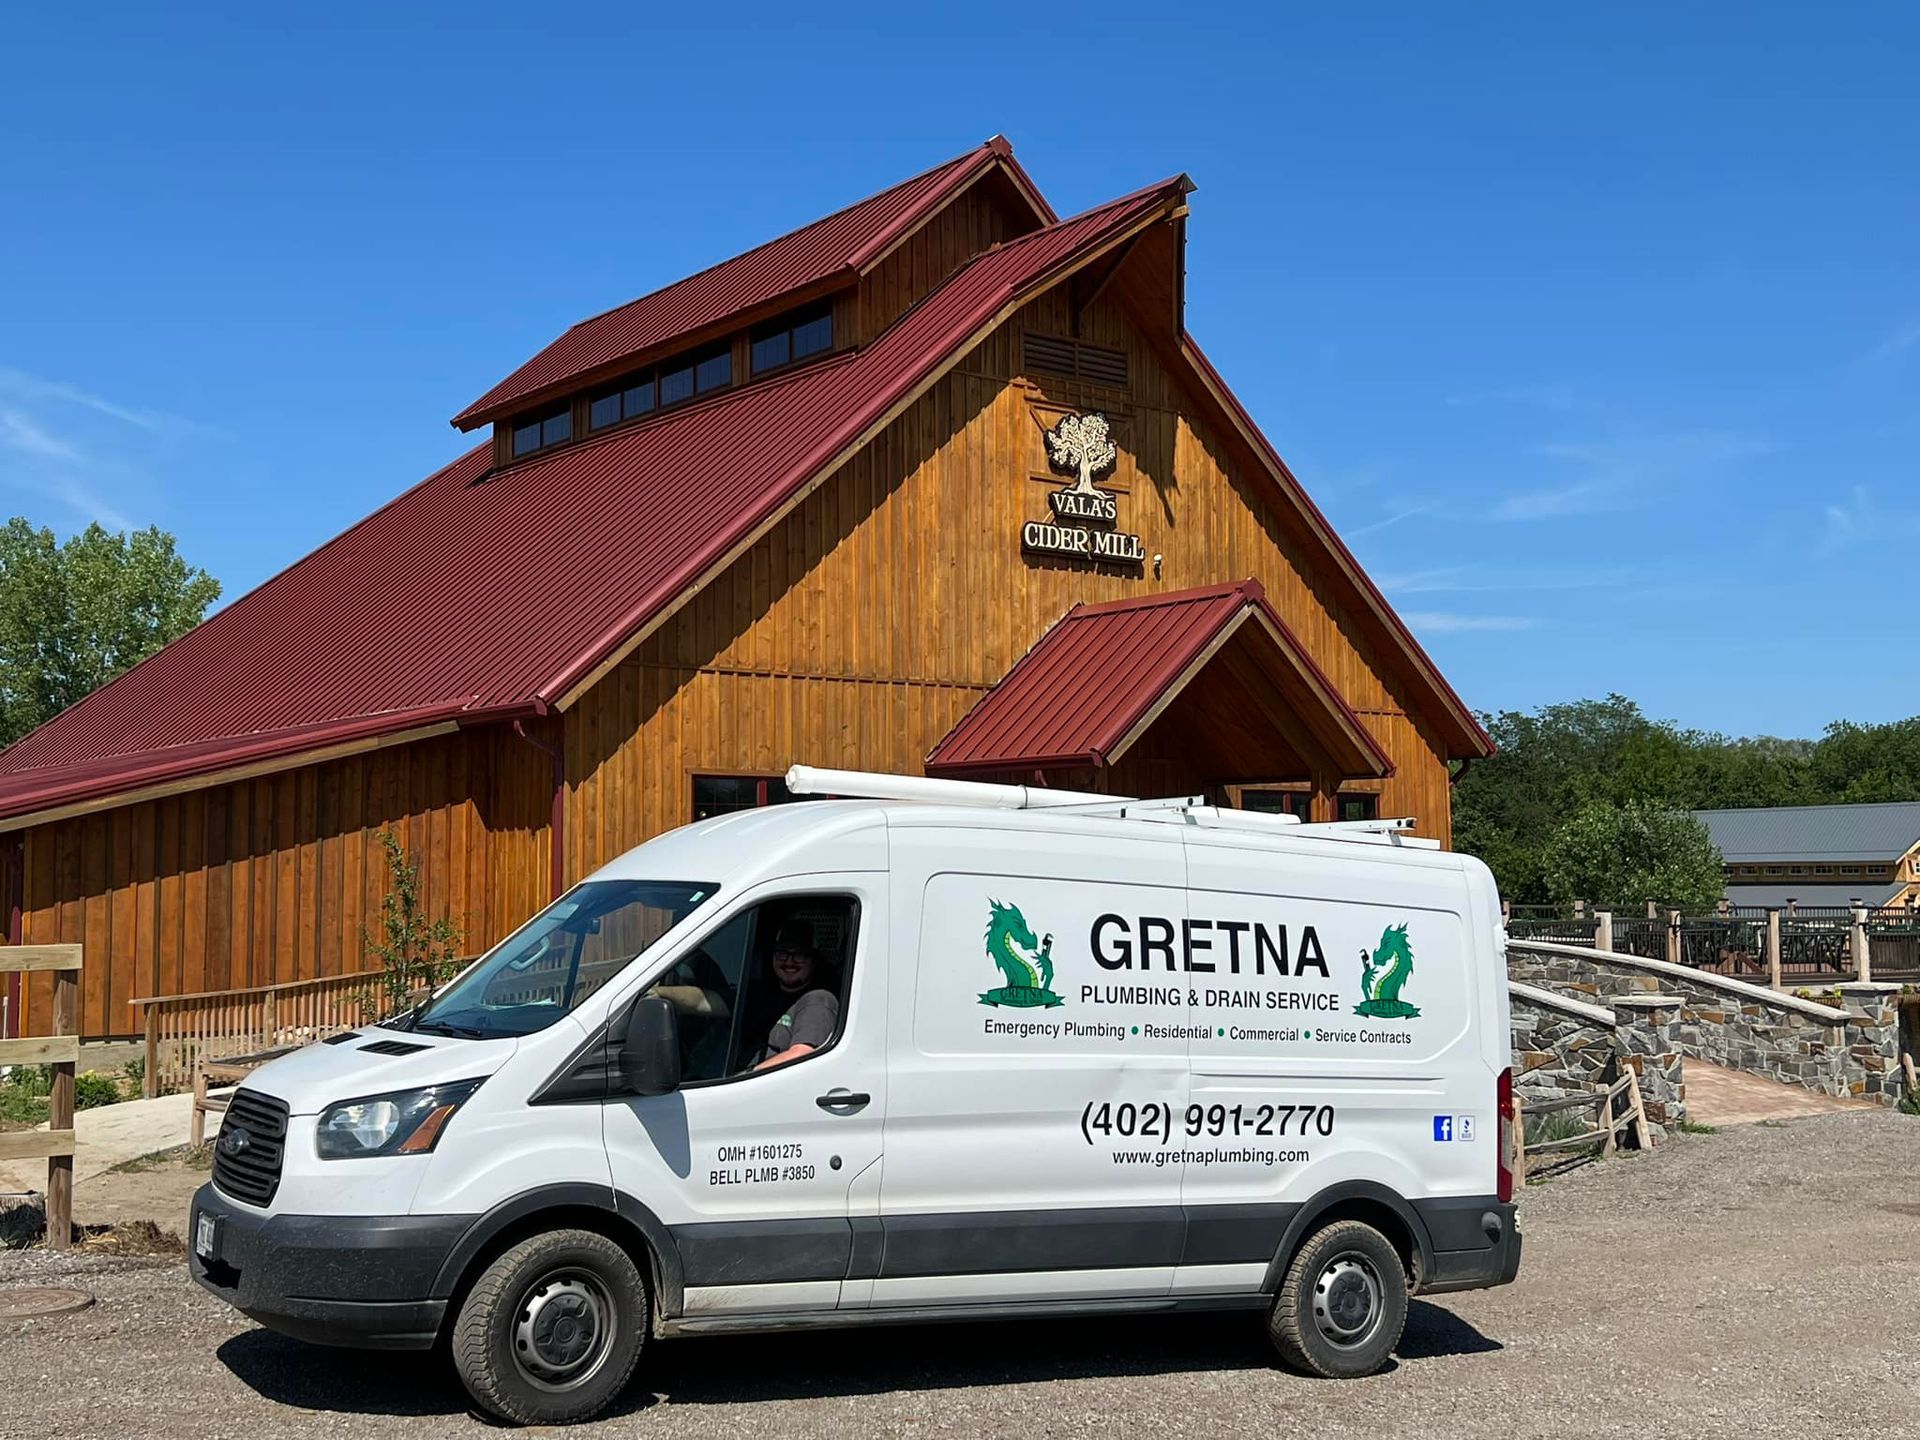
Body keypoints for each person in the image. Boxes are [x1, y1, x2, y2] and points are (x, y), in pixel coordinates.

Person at [746, 920, 840, 1071]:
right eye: (782, 953)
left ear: (814, 961)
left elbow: (801, 1054)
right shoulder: (764, 994)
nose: (789, 961)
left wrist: (746, 1075)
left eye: (800, 955)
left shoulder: (818, 1000)